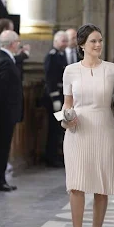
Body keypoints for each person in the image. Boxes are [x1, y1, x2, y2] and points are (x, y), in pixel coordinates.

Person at [61, 24, 114, 227]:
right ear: (81, 45)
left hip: (104, 129)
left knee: (101, 186)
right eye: (93, 41)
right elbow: (68, 103)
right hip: (77, 131)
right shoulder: (69, 70)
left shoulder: (113, 70)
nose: (98, 45)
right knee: (76, 185)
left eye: (100, 40)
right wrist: (66, 118)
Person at [0, 30, 23, 192]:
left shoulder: (7, 58)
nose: (19, 44)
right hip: (5, 111)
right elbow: (0, 89)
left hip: (7, 110)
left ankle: (0, 178)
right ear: (12, 43)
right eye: (17, 41)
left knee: (3, 145)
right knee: (1, 146)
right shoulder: (4, 60)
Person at [44, 31, 68, 167]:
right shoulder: (52, 56)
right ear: (56, 41)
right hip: (54, 98)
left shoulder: (61, 55)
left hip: (61, 96)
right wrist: (54, 98)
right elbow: (50, 79)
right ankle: (51, 156)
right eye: (63, 41)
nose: (65, 43)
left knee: (59, 128)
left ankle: (57, 155)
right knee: (53, 128)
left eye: (66, 41)